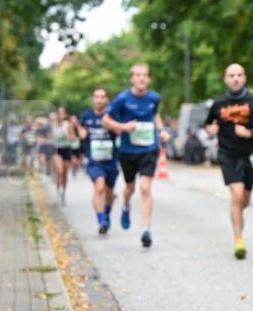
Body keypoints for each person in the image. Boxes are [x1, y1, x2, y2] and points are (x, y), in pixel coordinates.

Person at [204, 63, 253, 259]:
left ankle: (237, 217)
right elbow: (208, 125)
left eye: (239, 75)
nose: (235, 78)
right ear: (226, 79)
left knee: (244, 201)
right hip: (228, 155)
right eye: (231, 75)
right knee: (237, 195)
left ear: (244, 78)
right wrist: (211, 130)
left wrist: (249, 133)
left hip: (251, 155)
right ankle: (238, 240)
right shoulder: (218, 104)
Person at [103, 63, 170, 248]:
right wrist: (123, 127)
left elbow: (155, 115)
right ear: (132, 78)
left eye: (144, 75)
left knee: (145, 188)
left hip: (149, 149)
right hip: (128, 151)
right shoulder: (122, 99)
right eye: (138, 75)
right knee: (130, 189)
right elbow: (106, 120)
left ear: (148, 78)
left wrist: (161, 131)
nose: (141, 78)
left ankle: (146, 229)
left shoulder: (154, 97)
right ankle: (126, 204)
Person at [77, 87, 120, 235]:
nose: (99, 100)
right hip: (94, 160)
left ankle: (106, 213)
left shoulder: (112, 115)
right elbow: (82, 134)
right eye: (96, 97)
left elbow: (120, 131)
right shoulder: (86, 116)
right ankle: (101, 220)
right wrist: (79, 129)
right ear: (93, 99)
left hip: (111, 160)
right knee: (99, 187)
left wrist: (111, 125)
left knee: (109, 193)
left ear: (107, 99)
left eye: (102, 97)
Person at [51, 107, 75, 205]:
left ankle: (63, 192)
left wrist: (67, 136)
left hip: (66, 149)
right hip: (56, 150)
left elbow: (73, 137)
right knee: (59, 171)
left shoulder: (68, 125)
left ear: (65, 114)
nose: (60, 115)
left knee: (64, 173)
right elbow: (49, 137)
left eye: (62, 113)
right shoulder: (52, 125)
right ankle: (57, 191)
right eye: (59, 113)